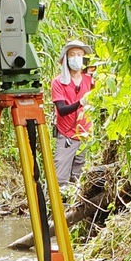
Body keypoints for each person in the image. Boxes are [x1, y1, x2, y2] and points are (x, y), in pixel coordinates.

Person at [51, 40, 94, 189]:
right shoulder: (58, 82)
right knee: (60, 178)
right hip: (66, 134)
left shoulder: (89, 80)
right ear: (66, 59)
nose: (76, 58)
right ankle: (56, 208)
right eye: (72, 55)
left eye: (79, 55)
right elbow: (62, 110)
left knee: (79, 178)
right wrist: (80, 102)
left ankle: (75, 209)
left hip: (84, 134)